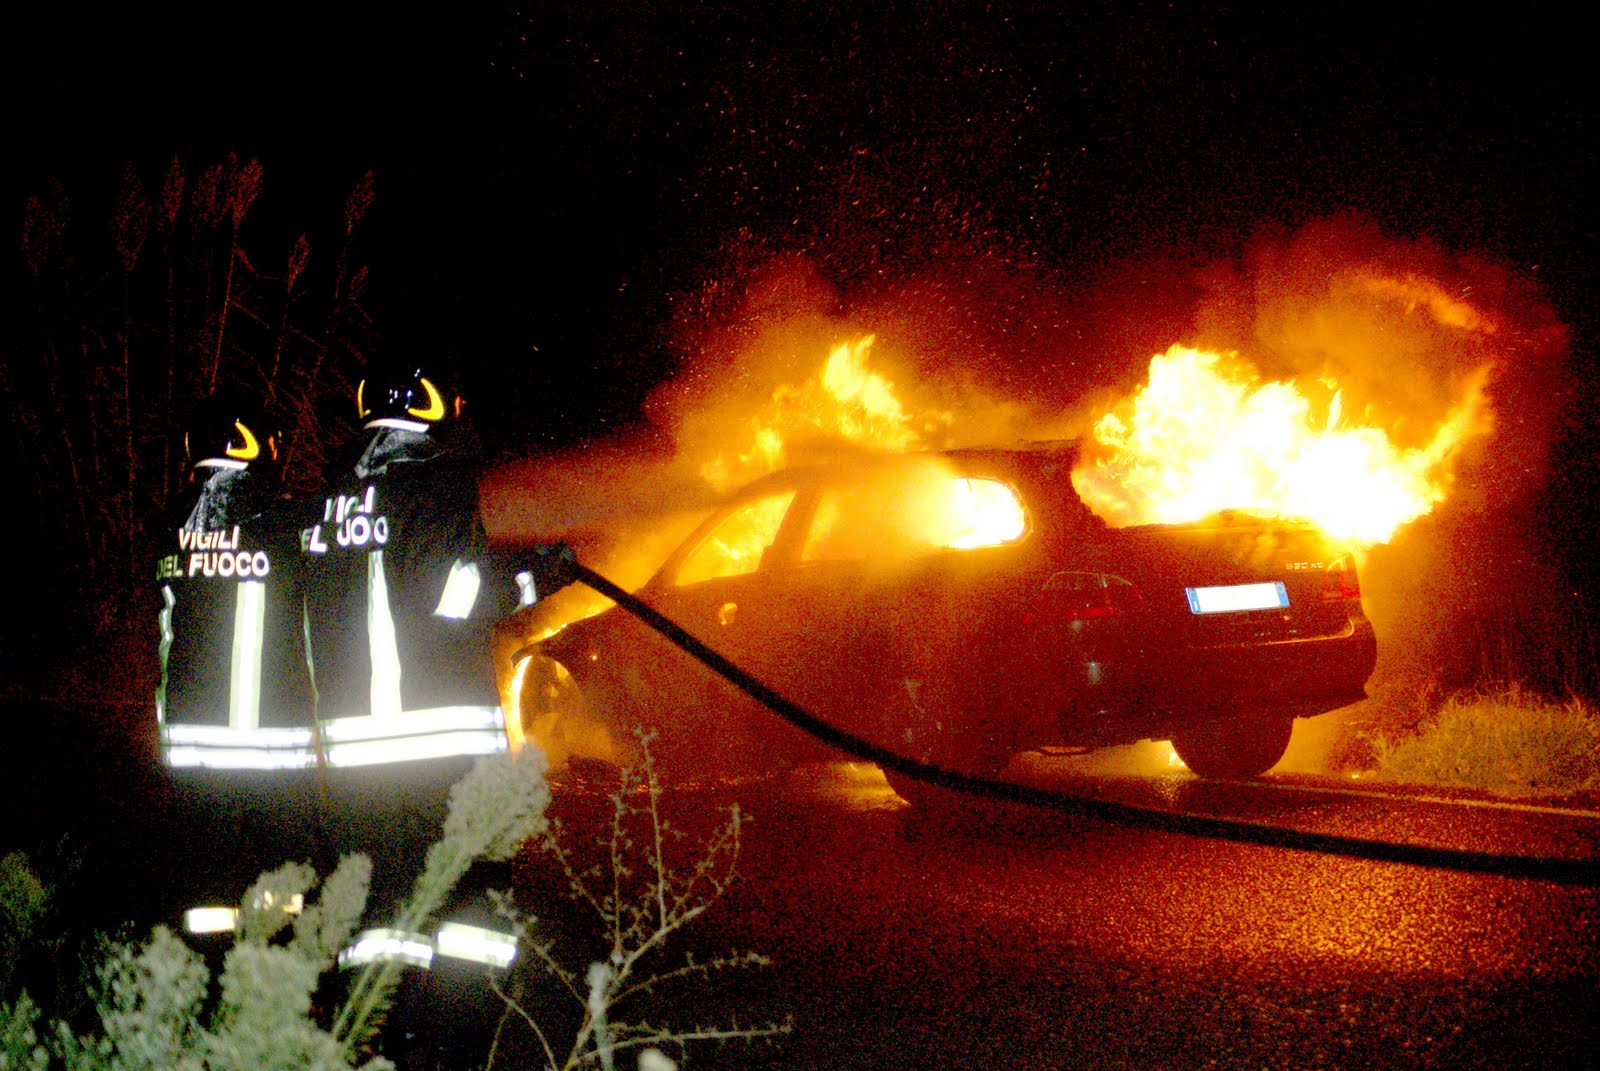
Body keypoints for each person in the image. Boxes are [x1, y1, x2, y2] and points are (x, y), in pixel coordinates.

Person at [297, 358, 575, 1016]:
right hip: (440, 750)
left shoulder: (328, 498)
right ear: (425, 403)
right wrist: (536, 577)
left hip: (355, 759)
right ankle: (459, 1031)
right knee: (472, 901)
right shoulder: (433, 476)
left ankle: (379, 1032)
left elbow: (393, 576)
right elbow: (450, 590)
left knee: (382, 914)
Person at [153, 396, 321, 927]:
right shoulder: (283, 516)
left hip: (191, 735)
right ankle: (278, 959)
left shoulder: (170, 522)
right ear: (249, 441)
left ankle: (206, 962)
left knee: (207, 878)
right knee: (282, 876)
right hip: (273, 736)